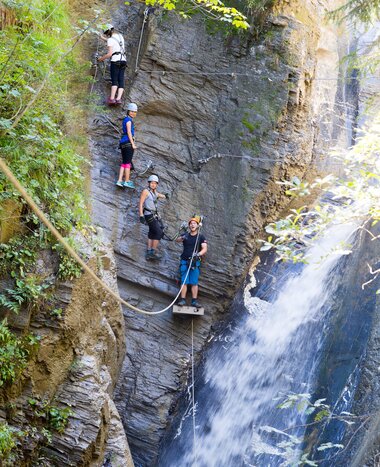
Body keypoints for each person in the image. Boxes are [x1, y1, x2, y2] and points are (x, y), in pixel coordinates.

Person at [176, 217, 207, 308]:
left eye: (194, 223)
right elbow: (177, 240)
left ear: (197, 225)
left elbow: (204, 248)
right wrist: (182, 236)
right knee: (184, 281)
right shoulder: (186, 235)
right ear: (189, 225)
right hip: (185, 261)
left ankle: (194, 301)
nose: (192, 225)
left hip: (194, 262)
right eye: (191, 223)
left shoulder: (200, 237)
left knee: (194, 282)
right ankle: (182, 300)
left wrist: (198, 254)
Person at [139, 175, 169, 260]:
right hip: (148, 214)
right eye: (151, 183)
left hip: (153, 215)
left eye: (155, 183)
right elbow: (141, 203)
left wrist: (165, 196)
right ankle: (153, 252)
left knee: (152, 232)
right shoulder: (146, 191)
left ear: (156, 184)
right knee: (159, 232)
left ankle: (149, 252)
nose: (153, 184)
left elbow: (158, 195)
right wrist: (141, 215)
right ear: (149, 183)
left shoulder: (154, 192)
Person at [97, 25, 127, 105]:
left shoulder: (110, 39)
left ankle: (112, 99)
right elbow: (113, 41)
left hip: (115, 61)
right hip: (123, 60)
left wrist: (101, 59)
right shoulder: (120, 36)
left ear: (107, 33)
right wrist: (103, 38)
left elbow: (109, 54)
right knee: (121, 80)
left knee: (115, 80)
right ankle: (118, 99)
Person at [116, 103, 138, 188]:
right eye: (132, 111)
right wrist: (133, 144)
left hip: (123, 143)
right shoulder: (129, 120)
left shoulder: (125, 119)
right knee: (128, 163)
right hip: (128, 143)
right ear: (128, 111)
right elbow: (129, 132)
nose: (133, 113)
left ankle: (119, 180)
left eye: (135, 112)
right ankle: (127, 181)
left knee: (124, 163)